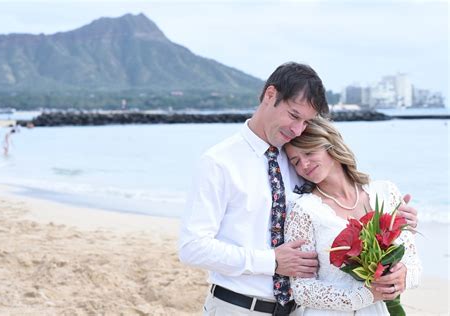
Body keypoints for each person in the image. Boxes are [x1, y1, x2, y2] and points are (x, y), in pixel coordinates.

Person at [178, 62, 419, 316]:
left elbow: (342, 197)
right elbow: (192, 247)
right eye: (294, 115)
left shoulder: (295, 156)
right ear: (270, 95)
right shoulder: (219, 162)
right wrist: (271, 261)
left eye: (306, 122)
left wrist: (396, 219)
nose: (297, 129)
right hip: (238, 306)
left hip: (298, 310)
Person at [283, 117, 421, 315]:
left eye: (309, 152)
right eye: (295, 161)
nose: (304, 164)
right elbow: (301, 289)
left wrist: (403, 276)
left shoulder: (386, 192)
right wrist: (364, 295)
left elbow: (413, 263)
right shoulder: (303, 210)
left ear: (330, 145)